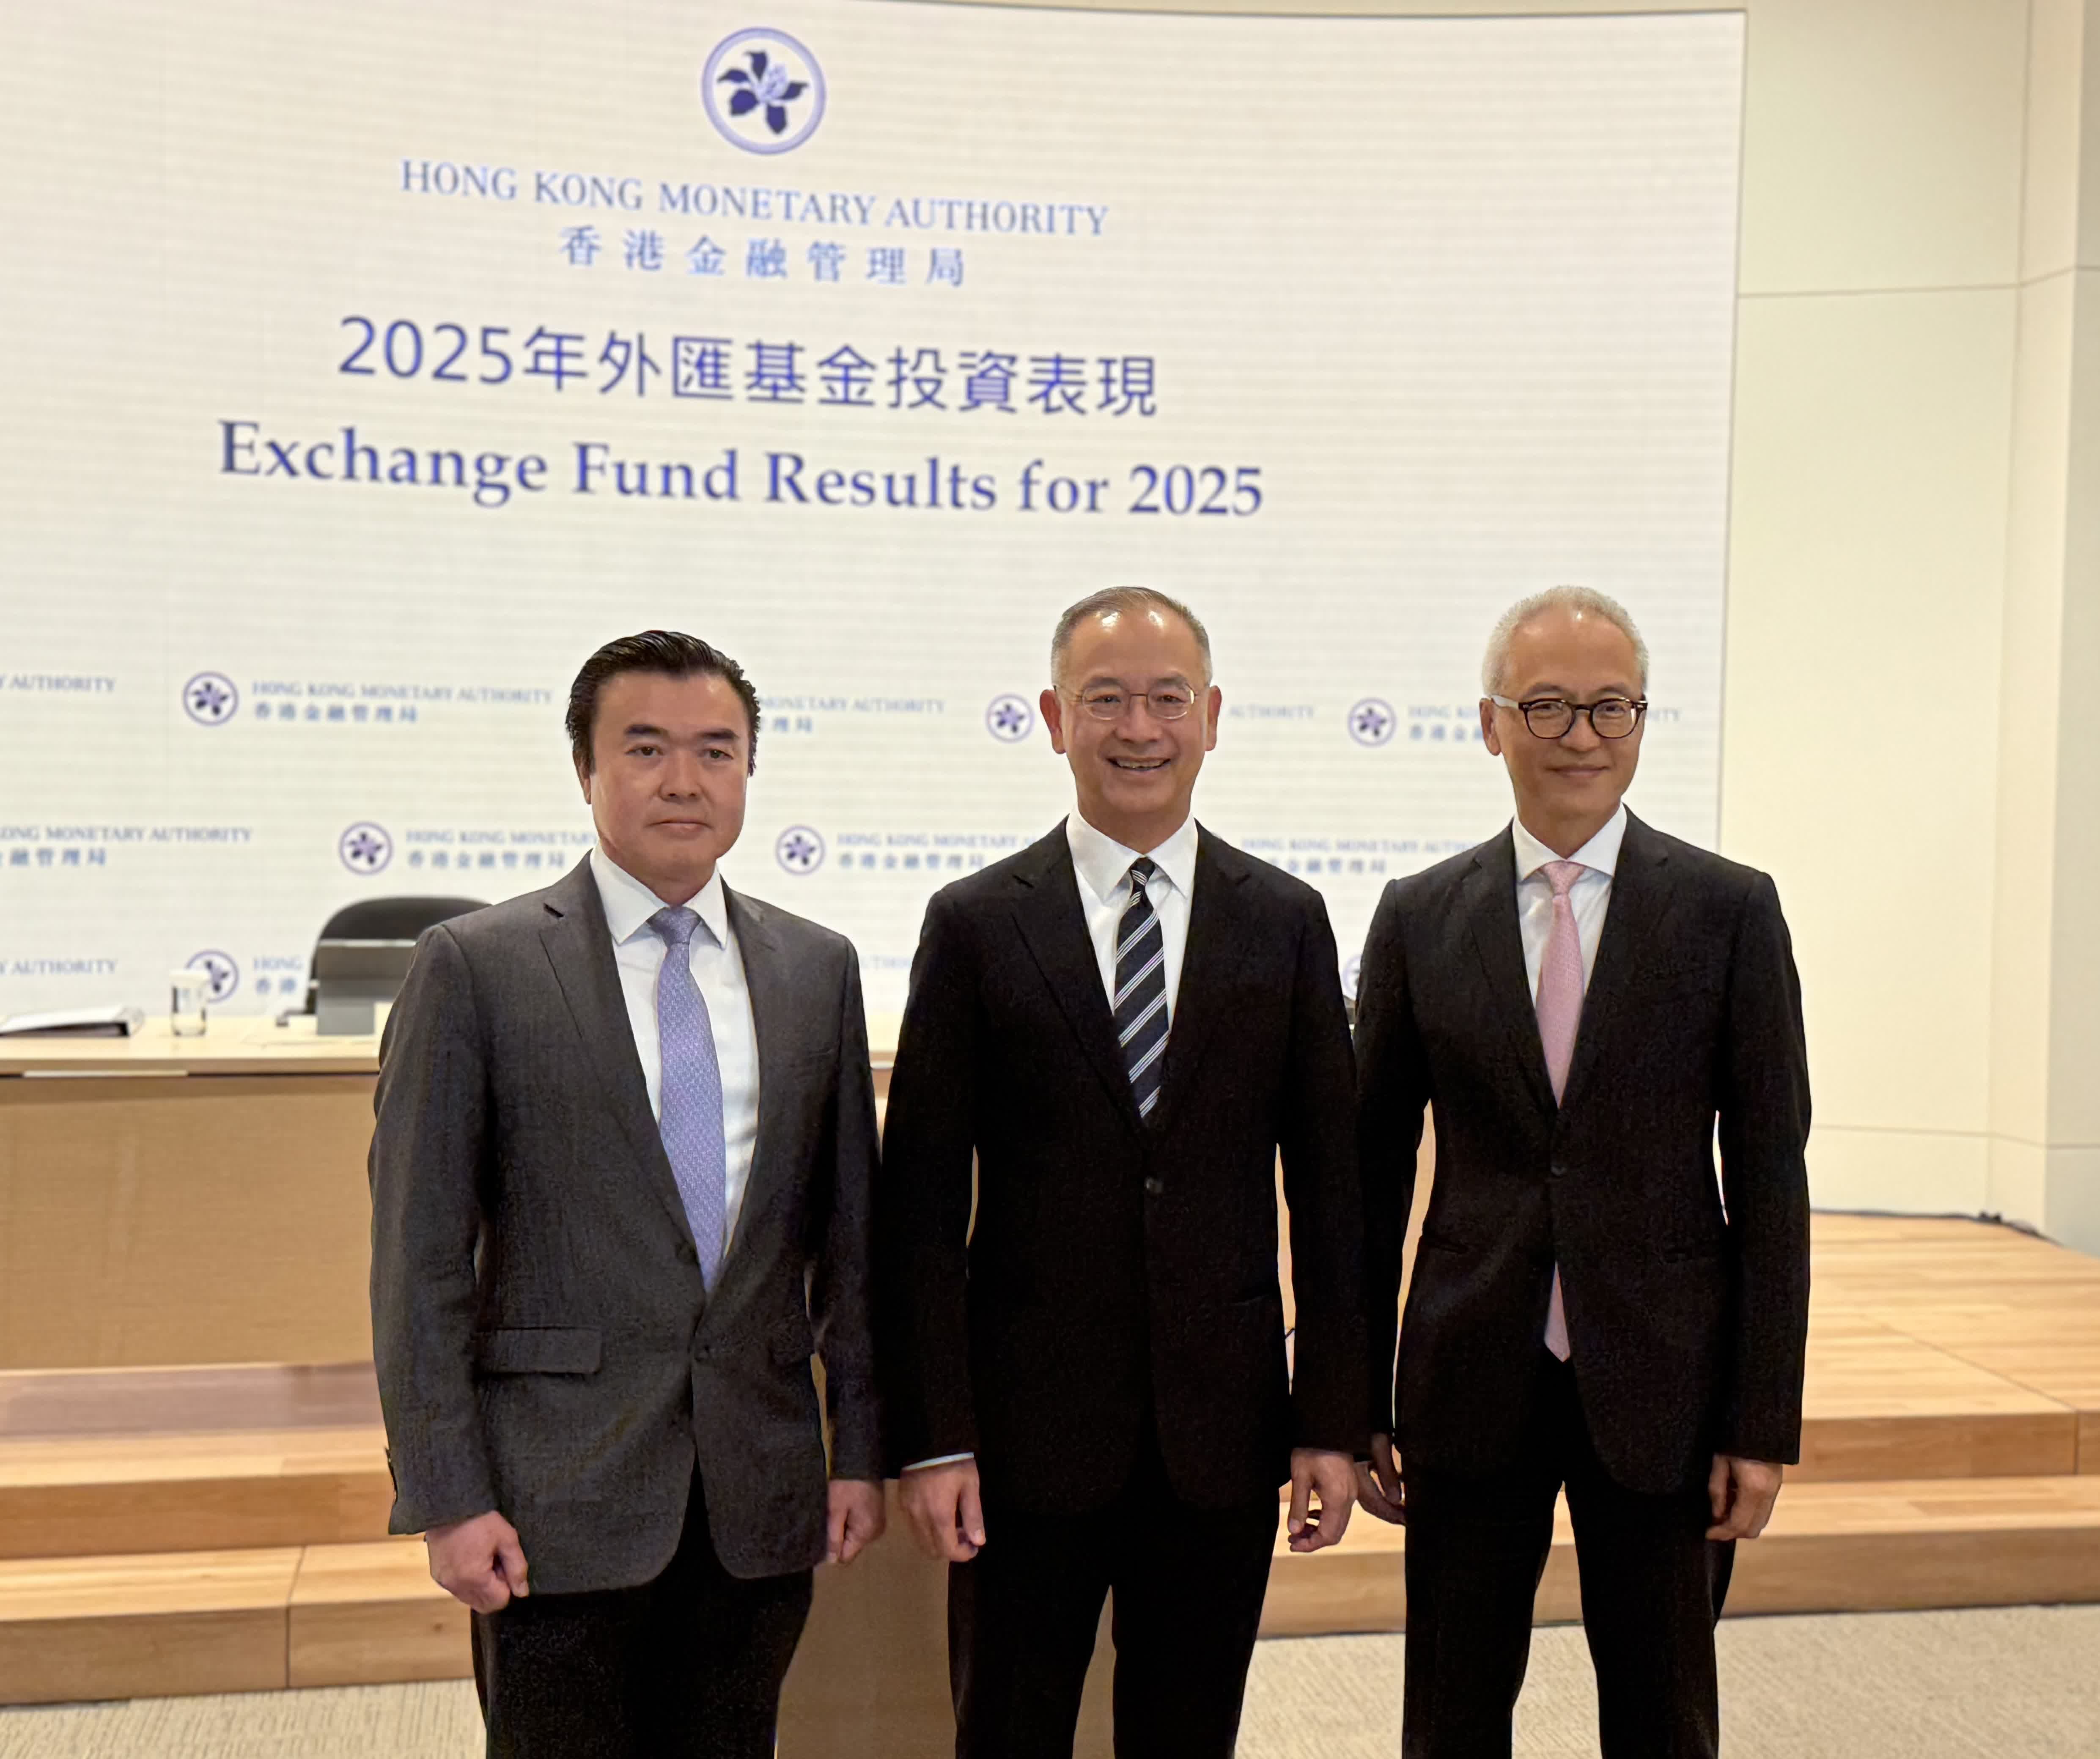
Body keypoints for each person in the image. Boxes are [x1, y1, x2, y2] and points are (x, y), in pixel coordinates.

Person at [370, 630, 886, 1758]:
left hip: (756, 1494)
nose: (683, 780)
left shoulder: (817, 970)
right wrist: (447, 1495)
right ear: (586, 769)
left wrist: (856, 1450)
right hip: (552, 1497)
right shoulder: (478, 966)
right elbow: (418, 1262)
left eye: (716, 751)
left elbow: (850, 1248)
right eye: (646, 749)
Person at [876, 587, 1368, 1759]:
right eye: (1105, 699)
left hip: (1223, 1433)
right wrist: (935, 1437)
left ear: (1212, 718)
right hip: (1021, 1439)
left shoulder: (1286, 921)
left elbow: (1331, 1197)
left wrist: (1331, 1423)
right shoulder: (975, 924)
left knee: (1188, 1734)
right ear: (1055, 719)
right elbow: (919, 1213)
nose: (1138, 727)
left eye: (1166, 698)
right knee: (1008, 1729)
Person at [1352, 587, 1810, 1759]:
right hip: (1467, 1376)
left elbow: (1769, 1180)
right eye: (1547, 706)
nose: (1582, 736)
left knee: (1664, 1715)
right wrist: (1352, 1398)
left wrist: (1761, 1421)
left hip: (1667, 1383)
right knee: (1451, 1714)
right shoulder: (1417, 918)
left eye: (1612, 707)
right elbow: (1368, 1176)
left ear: (1643, 721)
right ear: (1490, 724)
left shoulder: (1729, 912)